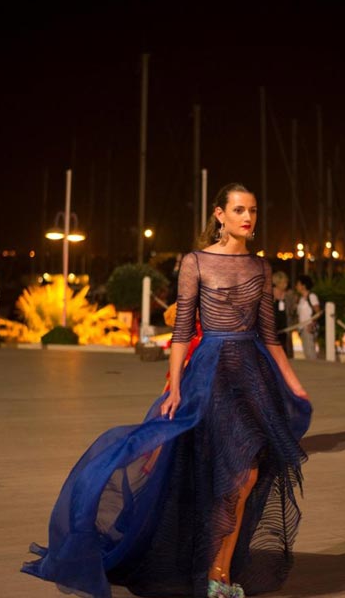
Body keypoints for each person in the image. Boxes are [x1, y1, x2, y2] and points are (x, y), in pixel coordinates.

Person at [23, 183, 312, 598]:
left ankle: (220, 569)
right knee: (230, 475)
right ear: (219, 215)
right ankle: (216, 575)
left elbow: (269, 336)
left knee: (245, 475)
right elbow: (181, 332)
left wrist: (295, 386)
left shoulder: (260, 268)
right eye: (238, 210)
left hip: (252, 377)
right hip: (209, 374)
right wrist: (174, 387)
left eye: (252, 210)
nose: (248, 217)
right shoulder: (195, 262)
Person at [271, 270, 296, 358]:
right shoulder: (270, 293)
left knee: (285, 347)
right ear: (277, 283)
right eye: (283, 282)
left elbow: (293, 309)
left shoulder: (289, 294)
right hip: (273, 325)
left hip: (286, 325)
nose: (285, 284)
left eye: (286, 282)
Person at [295, 274, 320, 360]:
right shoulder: (301, 299)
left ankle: (315, 370)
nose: (296, 286)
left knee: (310, 352)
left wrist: (312, 324)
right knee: (306, 351)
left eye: (298, 284)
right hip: (302, 329)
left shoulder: (312, 296)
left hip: (309, 328)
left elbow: (318, 312)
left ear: (303, 286)